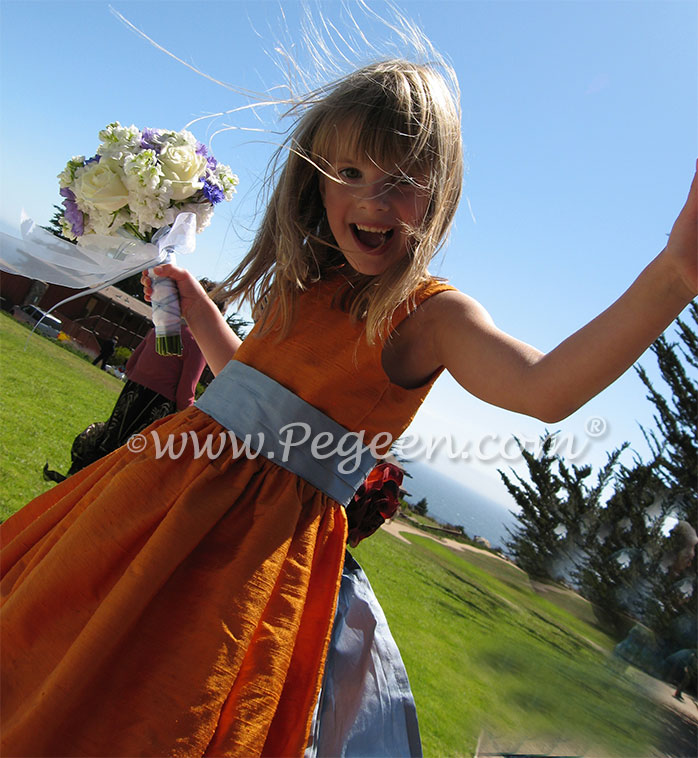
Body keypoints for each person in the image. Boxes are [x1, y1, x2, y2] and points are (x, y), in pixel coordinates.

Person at [1, 58, 696, 758]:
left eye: (401, 180)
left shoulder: (429, 316)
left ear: (441, 192)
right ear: (316, 178)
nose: (372, 200)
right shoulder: (305, 280)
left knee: (165, 705)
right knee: (50, 640)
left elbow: (547, 389)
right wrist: (195, 301)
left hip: (247, 553)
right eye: (350, 174)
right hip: (148, 502)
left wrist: (675, 273)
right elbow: (246, 384)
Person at [43, 323, 206, 482]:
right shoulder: (196, 345)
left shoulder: (159, 329)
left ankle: (79, 476)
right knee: (132, 452)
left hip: (131, 390)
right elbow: (185, 393)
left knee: (110, 436)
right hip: (158, 404)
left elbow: (130, 365)